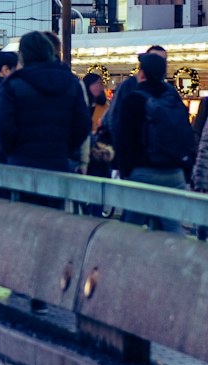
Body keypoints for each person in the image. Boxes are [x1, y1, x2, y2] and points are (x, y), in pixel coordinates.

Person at [113, 52, 197, 231]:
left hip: (143, 173)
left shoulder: (133, 99)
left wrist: (125, 170)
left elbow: (123, 139)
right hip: (175, 174)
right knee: (172, 226)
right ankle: (178, 258)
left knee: (130, 228)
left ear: (142, 73)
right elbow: (188, 135)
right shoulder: (174, 99)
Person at [0, 32, 90, 173]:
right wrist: (65, 148)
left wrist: (13, 151)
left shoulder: (13, 85)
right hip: (59, 162)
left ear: (23, 55)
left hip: (21, 163)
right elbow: (83, 124)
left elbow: (4, 127)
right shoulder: (71, 83)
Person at [101, 45, 167, 136]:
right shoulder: (129, 85)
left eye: (163, 60)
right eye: (154, 58)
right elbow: (114, 116)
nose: (158, 63)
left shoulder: (167, 89)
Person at [82, 73, 112, 179]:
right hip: (84, 151)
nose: (99, 87)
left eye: (100, 84)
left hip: (99, 152)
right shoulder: (81, 106)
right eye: (96, 84)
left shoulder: (106, 108)